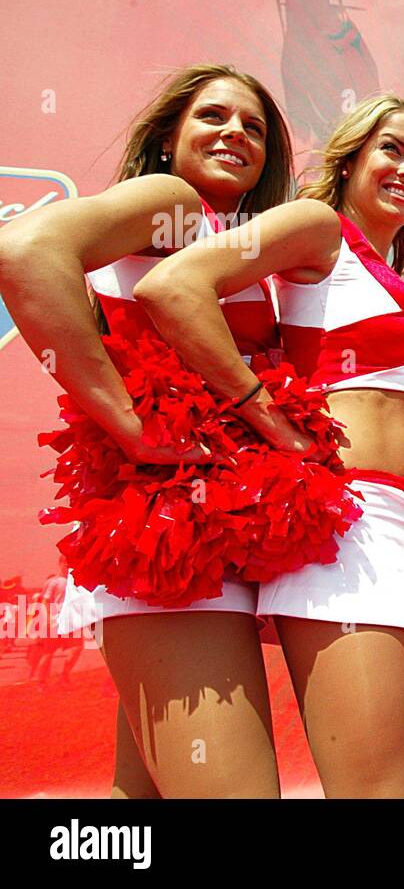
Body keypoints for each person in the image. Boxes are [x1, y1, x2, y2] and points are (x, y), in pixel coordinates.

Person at [136, 93, 404, 798]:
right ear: (350, 159)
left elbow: (393, 415)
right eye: (393, 150)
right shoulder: (318, 228)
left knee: (392, 782)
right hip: (353, 532)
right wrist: (266, 417)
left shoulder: (391, 275)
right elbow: (175, 286)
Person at [0, 63, 293, 798]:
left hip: (206, 544)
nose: (235, 134)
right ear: (168, 137)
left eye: (253, 127)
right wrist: (129, 424)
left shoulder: (233, 239)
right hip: (171, 542)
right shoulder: (174, 201)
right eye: (214, 118)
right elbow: (24, 251)